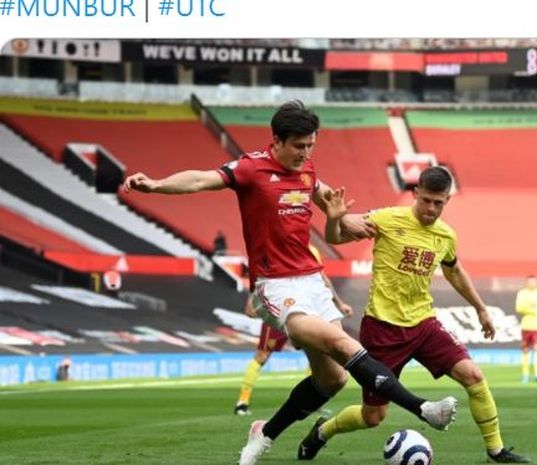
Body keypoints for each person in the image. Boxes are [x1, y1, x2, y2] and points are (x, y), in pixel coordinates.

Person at [122, 100, 457, 465]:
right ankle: (423, 408)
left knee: (332, 380)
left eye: (311, 145)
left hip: (312, 281)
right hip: (275, 285)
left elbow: (329, 201)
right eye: (299, 146)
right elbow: (201, 178)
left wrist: (347, 220)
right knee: (338, 341)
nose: (305, 153)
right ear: (277, 141)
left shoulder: (307, 170)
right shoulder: (251, 168)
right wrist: (155, 185)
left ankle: (262, 434)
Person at [298, 166, 531, 464]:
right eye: (427, 201)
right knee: (373, 416)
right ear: (415, 193)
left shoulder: (445, 235)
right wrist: (333, 220)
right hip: (382, 329)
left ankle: (496, 450)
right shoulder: (386, 219)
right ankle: (323, 431)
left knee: (473, 375)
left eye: (439, 203)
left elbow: (454, 271)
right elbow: (337, 237)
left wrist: (481, 308)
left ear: (447, 200)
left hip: (423, 324)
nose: (431, 209)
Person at [235, 245, 354, 416]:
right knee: (261, 356)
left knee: (318, 355)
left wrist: (340, 304)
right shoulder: (272, 249)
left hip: (305, 311)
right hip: (278, 312)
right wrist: (253, 301)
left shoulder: (312, 251)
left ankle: (315, 400)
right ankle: (242, 402)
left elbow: (322, 278)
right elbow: (259, 281)